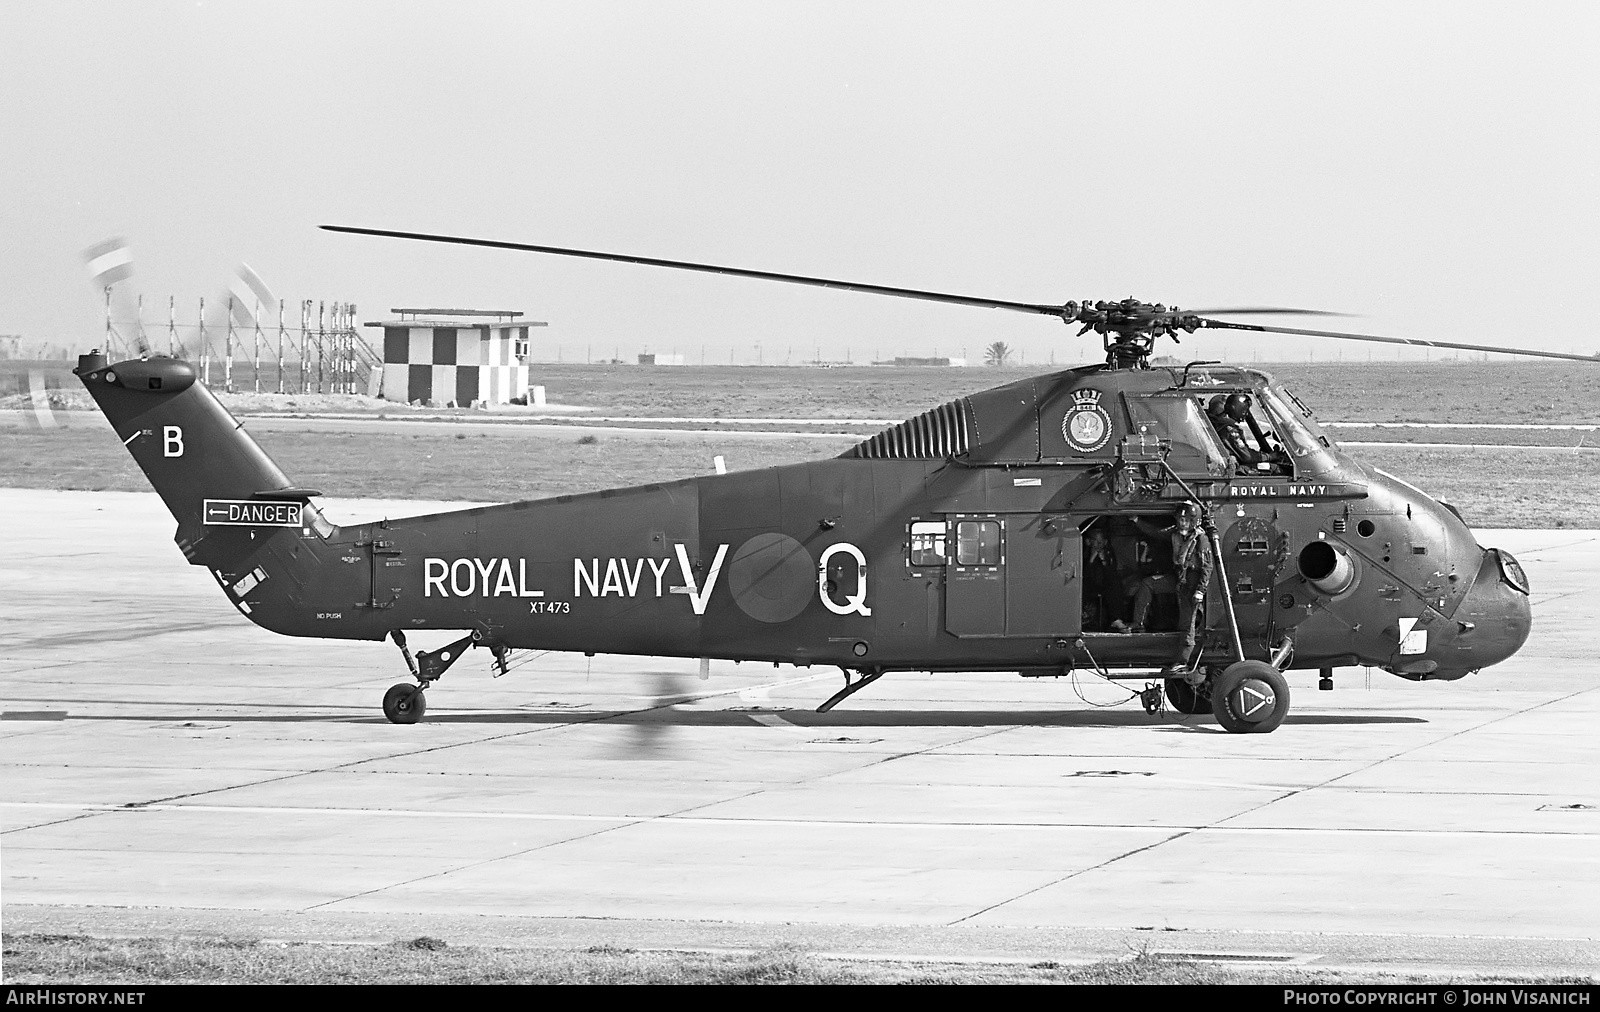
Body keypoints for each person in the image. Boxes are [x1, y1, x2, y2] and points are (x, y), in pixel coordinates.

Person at [1127, 504, 1214, 674]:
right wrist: (1136, 520)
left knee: (1187, 622)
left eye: (1186, 520)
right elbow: (1157, 533)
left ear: (1193, 522)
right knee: (1148, 583)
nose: (1182, 523)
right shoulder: (1175, 533)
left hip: (1191, 583)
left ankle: (1183, 661)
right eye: (1180, 520)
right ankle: (1138, 624)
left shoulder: (1201, 540)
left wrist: (1200, 590)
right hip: (1179, 579)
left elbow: (1207, 567)